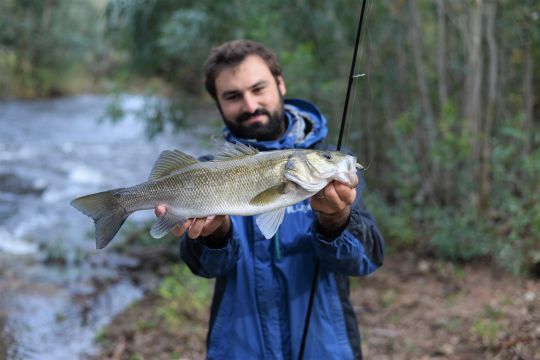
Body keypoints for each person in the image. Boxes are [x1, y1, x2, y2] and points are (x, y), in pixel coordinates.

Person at [155, 40, 384, 359]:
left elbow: (367, 260)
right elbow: (203, 267)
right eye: (233, 96)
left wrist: (335, 221)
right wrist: (216, 235)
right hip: (240, 347)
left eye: (258, 88)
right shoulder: (206, 170)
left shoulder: (331, 175)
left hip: (325, 348)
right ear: (218, 104)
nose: (249, 105)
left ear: (280, 83)